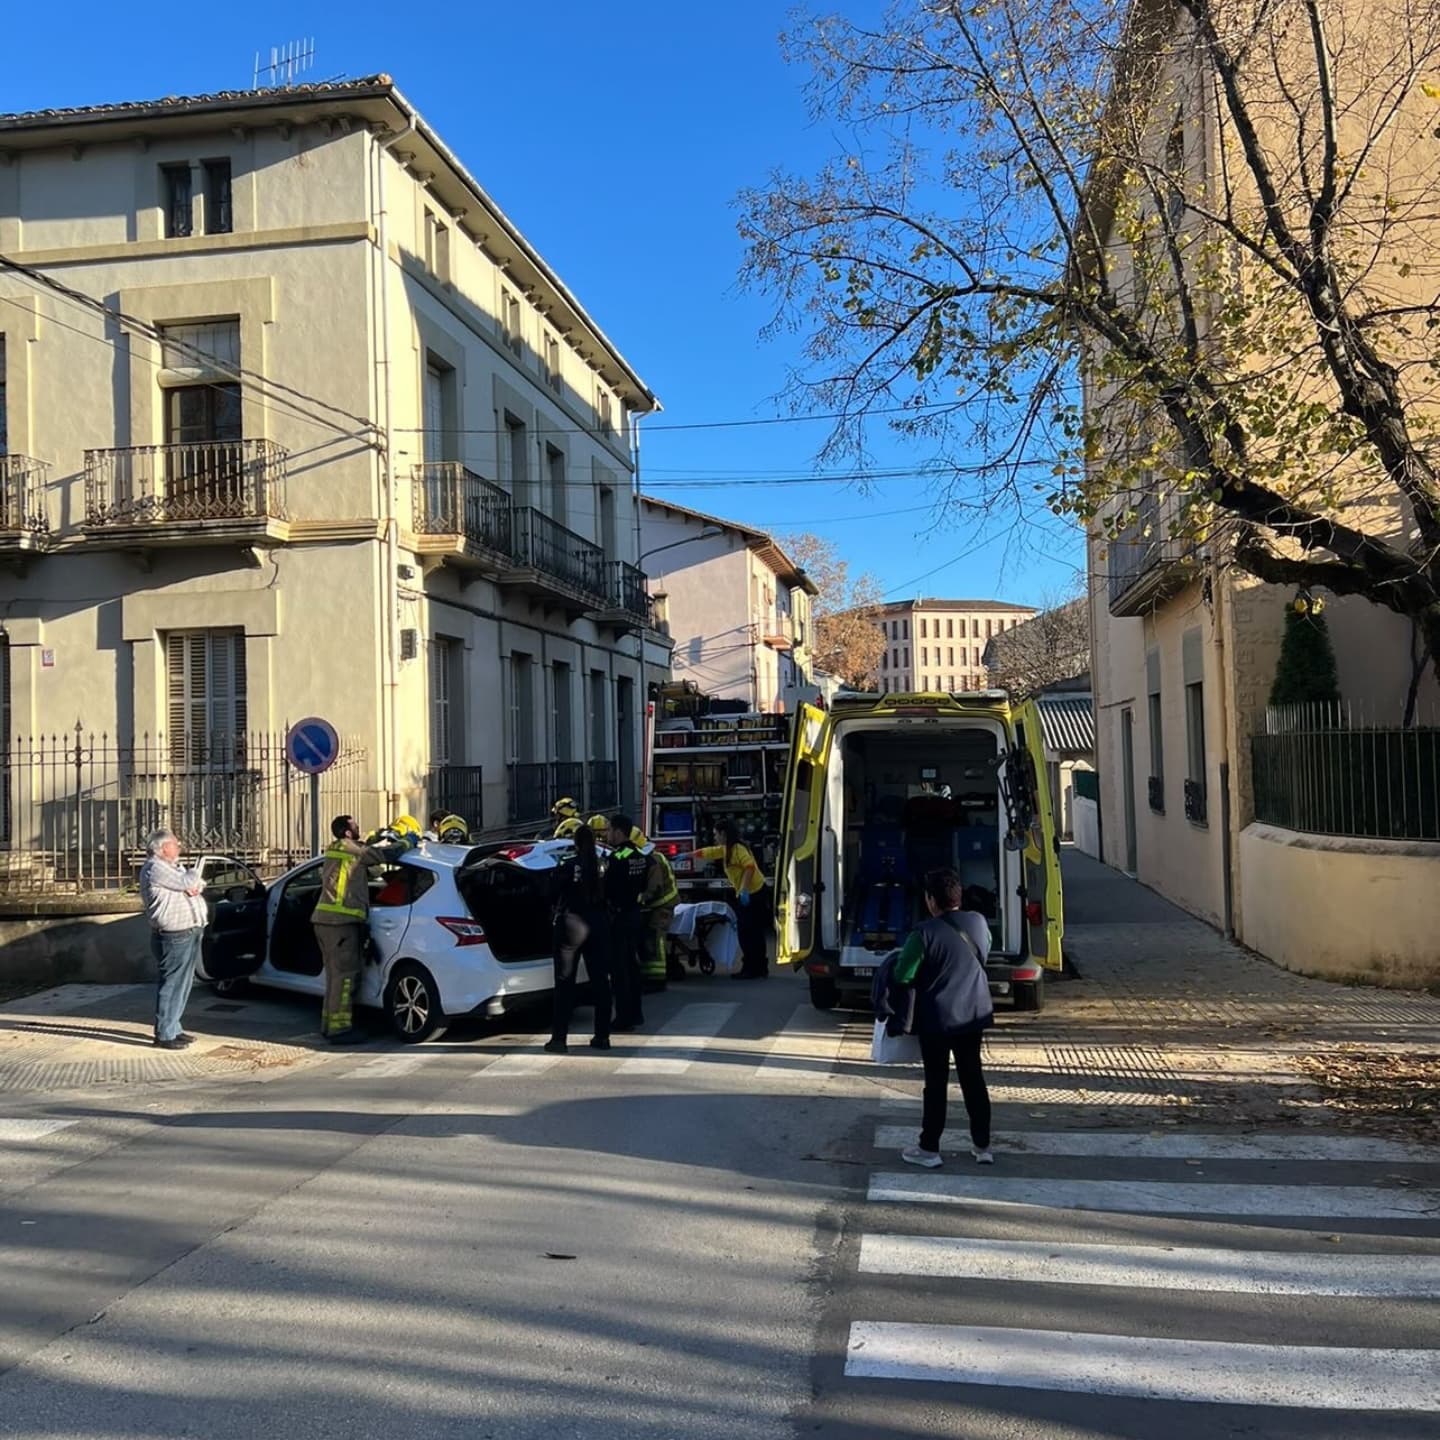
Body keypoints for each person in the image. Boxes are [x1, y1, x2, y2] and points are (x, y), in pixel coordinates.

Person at [892, 867, 995, 1168]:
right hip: (974, 1014)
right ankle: (983, 1146)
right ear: (958, 897)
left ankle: (929, 1149)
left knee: (936, 1083)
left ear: (931, 901)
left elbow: (903, 974)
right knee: (973, 1078)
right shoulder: (978, 922)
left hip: (937, 1019)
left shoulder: (923, 933)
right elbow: (983, 954)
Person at [312, 814, 389, 1044]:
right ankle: (340, 1029)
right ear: (347, 832)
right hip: (341, 923)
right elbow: (381, 856)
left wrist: (372, 839)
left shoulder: (338, 848)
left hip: (326, 922)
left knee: (334, 977)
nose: (358, 826)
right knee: (345, 977)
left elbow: (370, 868)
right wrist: (407, 841)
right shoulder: (350, 848)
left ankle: (328, 1024)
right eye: (355, 824)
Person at [139, 829, 207, 1050]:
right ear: (163, 848)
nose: (179, 847)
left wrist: (193, 882)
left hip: (189, 930)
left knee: (184, 983)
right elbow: (187, 881)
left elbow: (193, 883)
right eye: (175, 844)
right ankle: (164, 1034)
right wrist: (197, 869)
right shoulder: (155, 868)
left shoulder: (171, 868)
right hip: (174, 935)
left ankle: (174, 1027)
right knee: (172, 983)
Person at [546, 824, 612, 1053]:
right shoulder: (603, 864)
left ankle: (559, 1039)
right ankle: (602, 1037)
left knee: (564, 983)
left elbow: (552, 892)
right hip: (598, 923)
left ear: (575, 843)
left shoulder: (568, 864)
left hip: (571, 923)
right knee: (601, 981)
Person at [691, 819, 771, 978]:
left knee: (747, 932)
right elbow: (710, 851)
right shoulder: (727, 849)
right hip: (755, 891)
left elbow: (749, 867)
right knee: (754, 932)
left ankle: (751, 968)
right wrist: (690, 854)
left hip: (754, 892)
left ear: (724, 834)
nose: (715, 837)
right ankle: (759, 967)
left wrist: (745, 890)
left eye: (716, 834)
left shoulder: (737, 849)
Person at [603, 813, 649, 1031]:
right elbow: (644, 884)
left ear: (619, 832)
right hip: (635, 914)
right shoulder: (640, 854)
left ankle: (623, 1017)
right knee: (632, 966)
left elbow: (607, 889)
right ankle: (637, 1012)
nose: (607, 834)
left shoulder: (618, 858)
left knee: (620, 970)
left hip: (620, 917)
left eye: (609, 830)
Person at [637, 831, 678, 992]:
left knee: (656, 939)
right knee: (650, 939)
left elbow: (654, 887)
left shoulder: (653, 860)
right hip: (659, 905)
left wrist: (641, 898)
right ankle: (651, 976)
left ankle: (658, 980)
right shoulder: (654, 856)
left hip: (662, 905)